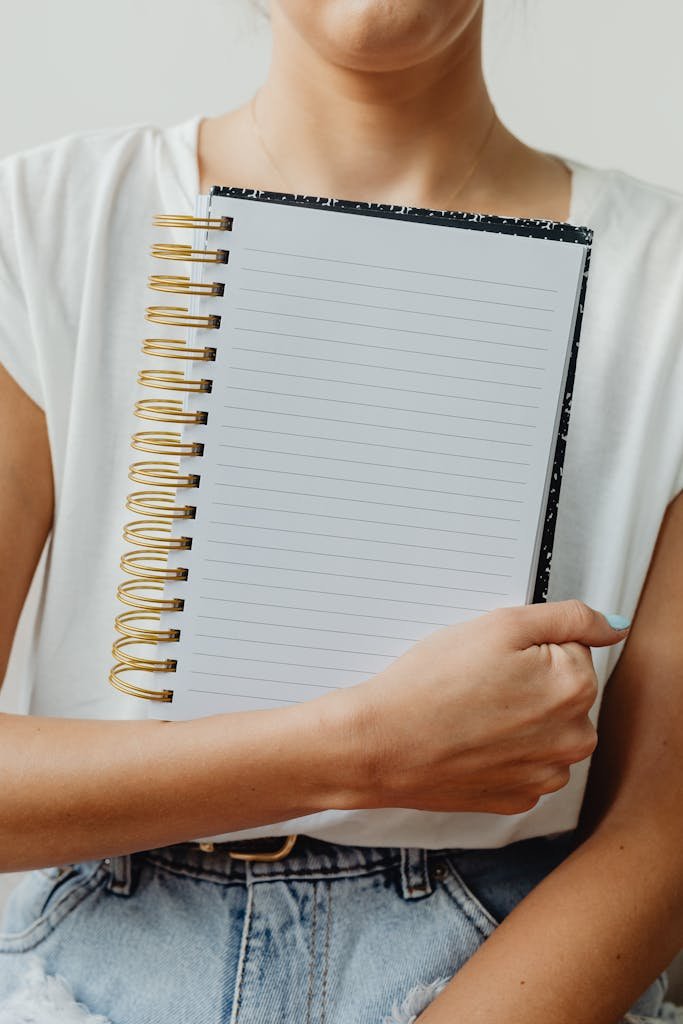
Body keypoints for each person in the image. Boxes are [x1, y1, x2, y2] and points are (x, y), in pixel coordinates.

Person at [0, 1, 681, 1022]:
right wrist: (357, 745)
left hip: (523, 962)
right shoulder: (47, 219)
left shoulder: (663, 280)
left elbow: (662, 829)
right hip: (98, 958)